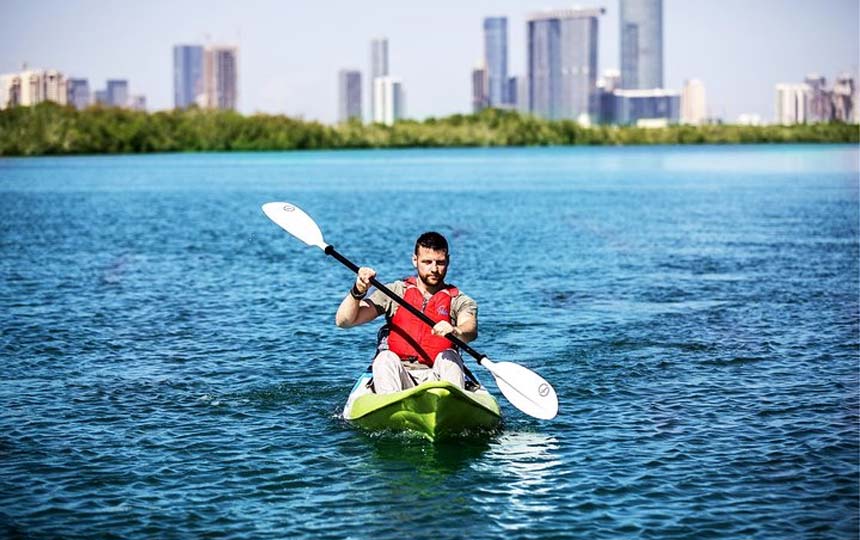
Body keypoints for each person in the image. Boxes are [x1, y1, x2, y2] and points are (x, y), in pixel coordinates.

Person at [335, 232, 478, 394]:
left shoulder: (458, 299)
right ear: (415, 260)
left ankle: (453, 404)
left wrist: (455, 330)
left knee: (450, 356)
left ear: (448, 261)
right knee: (384, 358)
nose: (434, 269)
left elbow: (470, 329)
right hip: (400, 376)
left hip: (438, 378)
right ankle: (390, 407)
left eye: (440, 263)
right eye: (427, 262)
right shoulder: (395, 292)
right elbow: (344, 321)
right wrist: (358, 290)